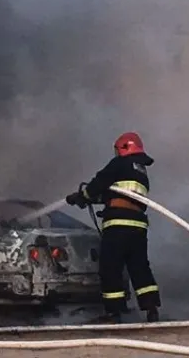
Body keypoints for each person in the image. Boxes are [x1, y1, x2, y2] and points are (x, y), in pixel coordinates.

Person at [65, 131, 161, 323]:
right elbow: (121, 195)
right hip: (138, 226)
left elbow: (99, 182)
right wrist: (91, 199)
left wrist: (83, 196)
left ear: (124, 147)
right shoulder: (141, 171)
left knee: (110, 267)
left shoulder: (120, 163)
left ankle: (114, 313)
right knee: (139, 267)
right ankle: (151, 309)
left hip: (118, 224)